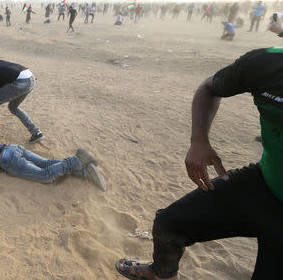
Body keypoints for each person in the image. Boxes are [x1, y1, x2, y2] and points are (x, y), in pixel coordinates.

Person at [115, 47, 283, 279]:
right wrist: (199, 141)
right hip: (266, 182)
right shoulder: (268, 63)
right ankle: (161, 274)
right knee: (168, 225)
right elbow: (209, 88)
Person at [0, 128, 106, 190]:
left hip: (6, 161)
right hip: (11, 148)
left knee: (45, 176)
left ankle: (75, 161)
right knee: (46, 163)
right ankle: (82, 172)